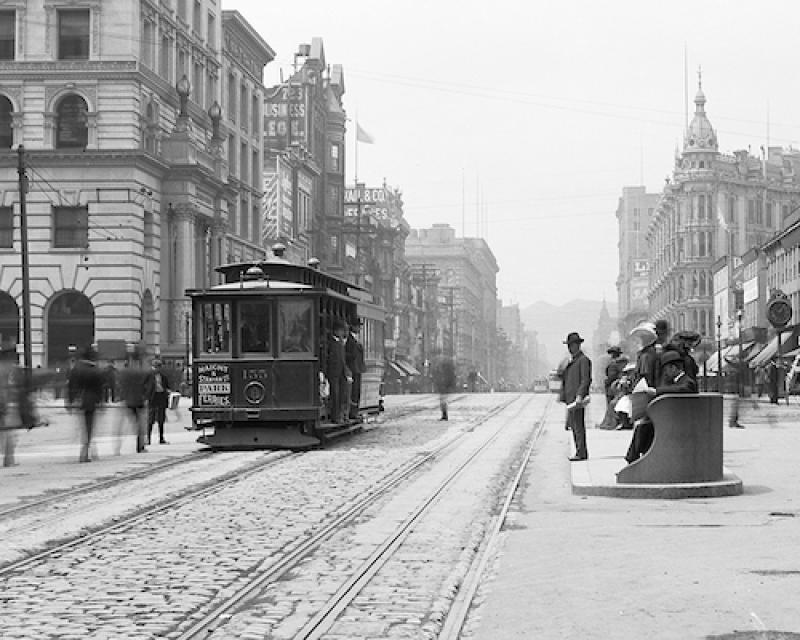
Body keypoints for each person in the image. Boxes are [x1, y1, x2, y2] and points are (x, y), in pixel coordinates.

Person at [625, 350, 698, 463]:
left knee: (644, 427)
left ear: (673, 368)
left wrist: (656, 391)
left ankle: (636, 459)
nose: (665, 373)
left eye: (666, 370)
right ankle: (635, 459)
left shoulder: (687, 382)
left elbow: (682, 390)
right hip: (675, 418)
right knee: (643, 425)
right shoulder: (676, 381)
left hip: (680, 421)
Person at [559, 332, 592, 461]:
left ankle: (581, 452)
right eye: (568, 345)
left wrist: (580, 395)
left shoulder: (583, 361)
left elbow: (585, 380)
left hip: (577, 399)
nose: (569, 348)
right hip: (570, 399)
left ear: (577, 345)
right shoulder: (571, 361)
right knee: (574, 426)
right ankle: (579, 451)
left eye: (571, 345)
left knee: (578, 426)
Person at [71, 347, 105, 463]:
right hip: (91, 401)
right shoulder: (95, 370)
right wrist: (101, 402)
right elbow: (100, 389)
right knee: (89, 427)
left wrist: (70, 400)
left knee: (83, 427)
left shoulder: (76, 369)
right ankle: (86, 452)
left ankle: (86, 450)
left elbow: (71, 385)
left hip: (79, 400)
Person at [118, 364, 149, 453]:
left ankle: (118, 446)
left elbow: (121, 387)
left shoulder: (124, 375)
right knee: (140, 425)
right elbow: (145, 387)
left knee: (123, 424)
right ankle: (140, 446)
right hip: (138, 401)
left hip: (128, 401)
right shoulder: (141, 374)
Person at [325, 320, 351, 423]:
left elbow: (342, 359)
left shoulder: (340, 343)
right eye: (342, 331)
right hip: (333, 373)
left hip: (341, 373)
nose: (343, 333)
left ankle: (340, 415)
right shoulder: (330, 343)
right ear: (336, 331)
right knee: (335, 394)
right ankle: (335, 417)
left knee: (341, 394)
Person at [598, 346, 627, 429]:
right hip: (622, 386)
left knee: (611, 404)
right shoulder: (624, 363)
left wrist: (606, 382)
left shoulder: (613, 364)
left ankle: (612, 422)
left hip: (613, 386)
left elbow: (611, 376)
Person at [144, 358, 171, 444]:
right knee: (150, 419)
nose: (157, 369)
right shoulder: (148, 375)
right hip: (152, 397)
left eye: (159, 368)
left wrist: (167, 391)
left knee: (161, 419)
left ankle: (161, 438)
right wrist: (146, 396)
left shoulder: (163, 376)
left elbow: (167, 386)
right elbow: (143, 386)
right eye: (156, 368)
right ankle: (148, 438)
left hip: (161, 397)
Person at [345, 319, 366, 420]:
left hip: (357, 368)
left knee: (356, 391)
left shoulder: (354, 339)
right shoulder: (349, 340)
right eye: (358, 326)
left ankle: (355, 411)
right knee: (354, 392)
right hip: (353, 368)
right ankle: (353, 412)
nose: (359, 328)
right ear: (352, 326)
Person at [432, 355, 456, 420]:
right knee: (443, 402)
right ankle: (444, 415)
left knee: (443, 402)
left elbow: (442, 379)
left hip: (444, 389)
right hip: (444, 388)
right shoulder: (446, 372)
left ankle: (444, 415)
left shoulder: (446, 372)